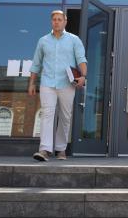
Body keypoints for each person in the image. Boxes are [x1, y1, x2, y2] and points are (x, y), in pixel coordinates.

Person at [28, 10, 87, 162]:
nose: (57, 22)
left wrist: (83, 76)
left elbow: (81, 59)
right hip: (47, 83)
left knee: (65, 116)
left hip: (67, 83)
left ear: (65, 22)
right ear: (51, 22)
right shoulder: (43, 41)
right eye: (54, 19)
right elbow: (36, 63)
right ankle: (44, 150)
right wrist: (32, 83)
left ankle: (61, 149)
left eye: (60, 19)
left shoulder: (74, 40)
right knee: (47, 114)